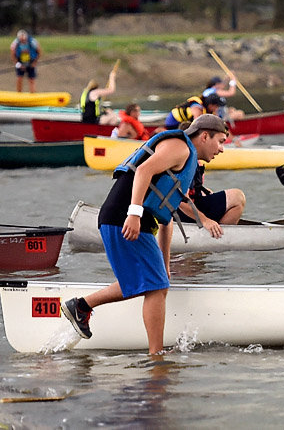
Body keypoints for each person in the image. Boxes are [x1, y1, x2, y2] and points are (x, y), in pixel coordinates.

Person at [61, 114, 229, 355]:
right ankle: (156, 356)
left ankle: (82, 306)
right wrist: (134, 214)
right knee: (156, 286)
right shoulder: (180, 147)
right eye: (220, 141)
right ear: (204, 136)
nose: (221, 149)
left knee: (155, 281)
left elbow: (167, 218)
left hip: (130, 220)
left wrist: (166, 262)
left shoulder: (186, 162)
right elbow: (143, 171)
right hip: (123, 217)